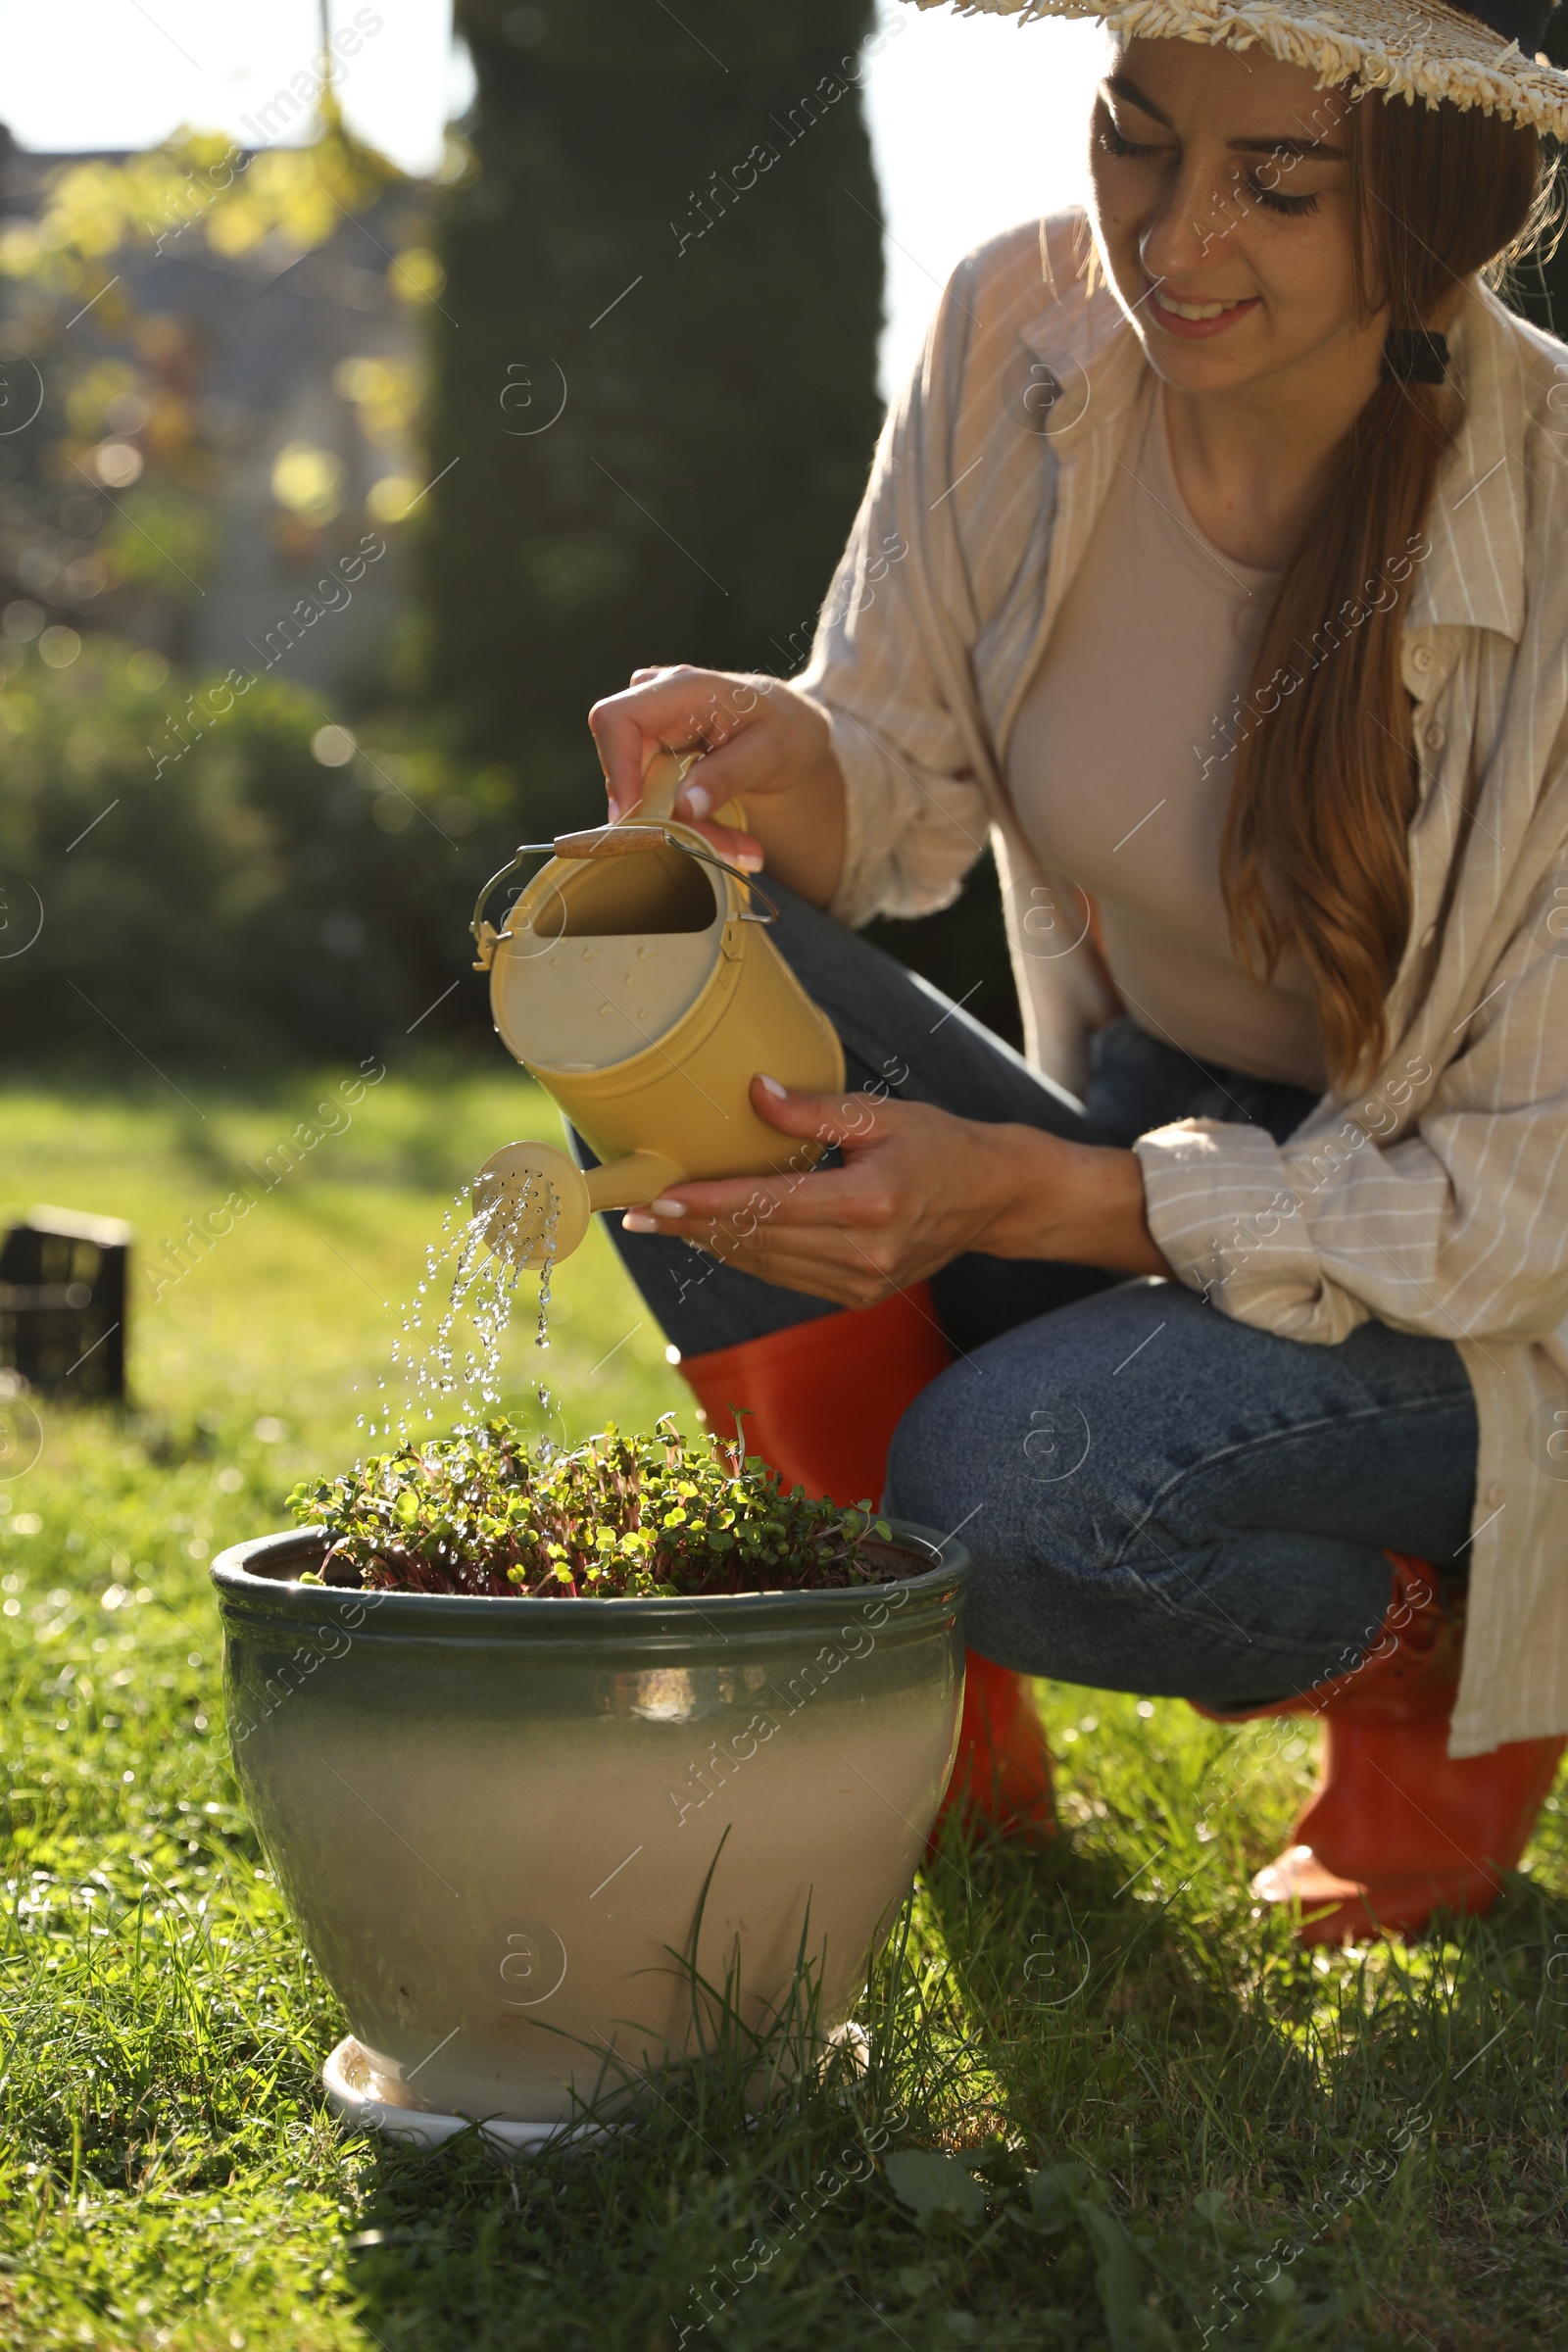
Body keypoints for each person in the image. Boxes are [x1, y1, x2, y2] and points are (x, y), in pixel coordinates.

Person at [585, 0, 1568, 1942]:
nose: (1167, 237)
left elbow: (1523, 1207)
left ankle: (1442, 1657)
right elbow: (903, 777)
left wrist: (1049, 1198)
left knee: (1009, 1490)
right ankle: (936, 1763)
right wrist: (803, 761)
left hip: (1480, 1290)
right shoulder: (1009, 335)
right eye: (1134, 139)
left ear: (1429, 218)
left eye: (1271, 186)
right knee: (640, 959)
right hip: (1162, 1133)